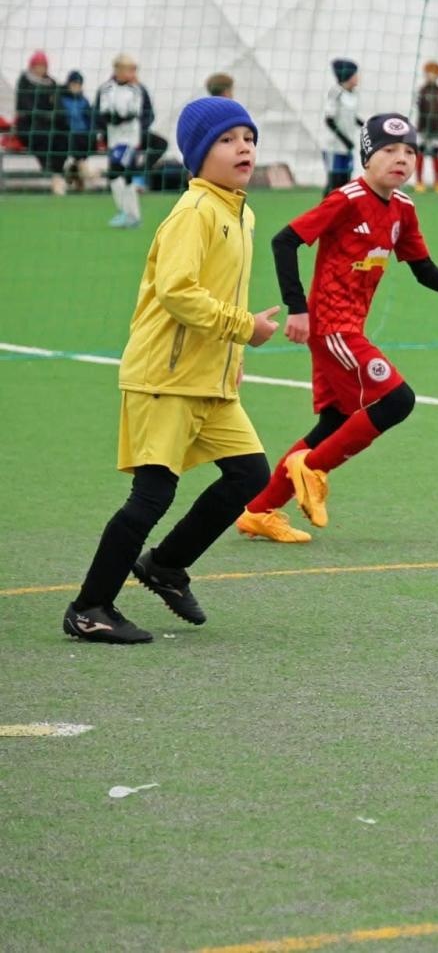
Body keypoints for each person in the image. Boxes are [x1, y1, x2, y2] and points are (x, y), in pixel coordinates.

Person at [62, 97, 279, 644]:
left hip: (208, 380)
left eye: (248, 137)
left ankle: (166, 566)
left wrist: (234, 360)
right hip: (165, 376)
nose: (244, 147)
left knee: (251, 475)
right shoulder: (194, 212)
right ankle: (89, 608)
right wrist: (243, 329)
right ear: (199, 154)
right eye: (228, 140)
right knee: (152, 497)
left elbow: (220, 291)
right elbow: (178, 293)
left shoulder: (240, 211)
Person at [236, 114, 438, 543]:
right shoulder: (346, 199)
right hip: (332, 327)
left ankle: (259, 511)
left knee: (333, 425)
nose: (400, 159)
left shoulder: (403, 208)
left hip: (346, 329)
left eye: (409, 151)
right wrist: (298, 309)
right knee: (398, 400)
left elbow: (421, 268)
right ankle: (312, 468)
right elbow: (284, 241)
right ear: (368, 156)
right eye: (388, 150)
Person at [95, 53, 155, 229]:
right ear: (118, 70)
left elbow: (137, 112)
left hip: (130, 139)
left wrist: (121, 118)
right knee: (117, 174)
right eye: (130, 69)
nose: (132, 72)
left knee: (121, 171)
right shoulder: (106, 88)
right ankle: (128, 213)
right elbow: (101, 111)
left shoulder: (137, 89)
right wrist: (109, 120)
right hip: (114, 139)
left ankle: (130, 214)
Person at [14, 50, 64, 193]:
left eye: (43, 65)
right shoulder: (24, 81)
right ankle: (49, 168)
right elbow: (25, 105)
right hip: (28, 124)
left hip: (49, 124)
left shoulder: (52, 83)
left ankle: (57, 174)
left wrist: (52, 115)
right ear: (32, 66)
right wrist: (43, 114)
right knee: (41, 135)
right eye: (38, 65)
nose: (41, 68)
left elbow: (57, 106)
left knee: (62, 138)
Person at [322, 58, 361, 196]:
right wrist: (344, 140)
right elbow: (329, 120)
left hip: (347, 147)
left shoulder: (353, 94)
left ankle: (343, 213)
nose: (358, 77)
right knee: (334, 181)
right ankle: (325, 211)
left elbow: (351, 117)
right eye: (356, 74)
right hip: (334, 146)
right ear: (348, 76)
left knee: (346, 181)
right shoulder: (336, 93)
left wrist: (365, 125)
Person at [55, 70, 97, 191]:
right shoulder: (62, 99)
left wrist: (92, 131)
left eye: (78, 84)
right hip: (68, 133)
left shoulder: (84, 101)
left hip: (84, 133)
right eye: (73, 84)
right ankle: (83, 170)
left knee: (87, 142)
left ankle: (75, 171)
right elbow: (60, 118)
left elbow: (89, 118)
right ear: (68, 84)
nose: (76, 87)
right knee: (73, 144)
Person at [415, 60, 438, 193]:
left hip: (436, 130)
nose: (431, 76)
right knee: (421, 153)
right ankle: (419, 182)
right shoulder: (422, 91)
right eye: (429, 73)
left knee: (435, 154)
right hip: (423, 129)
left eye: (434, 73)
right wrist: (420, 127)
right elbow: (417, 109)